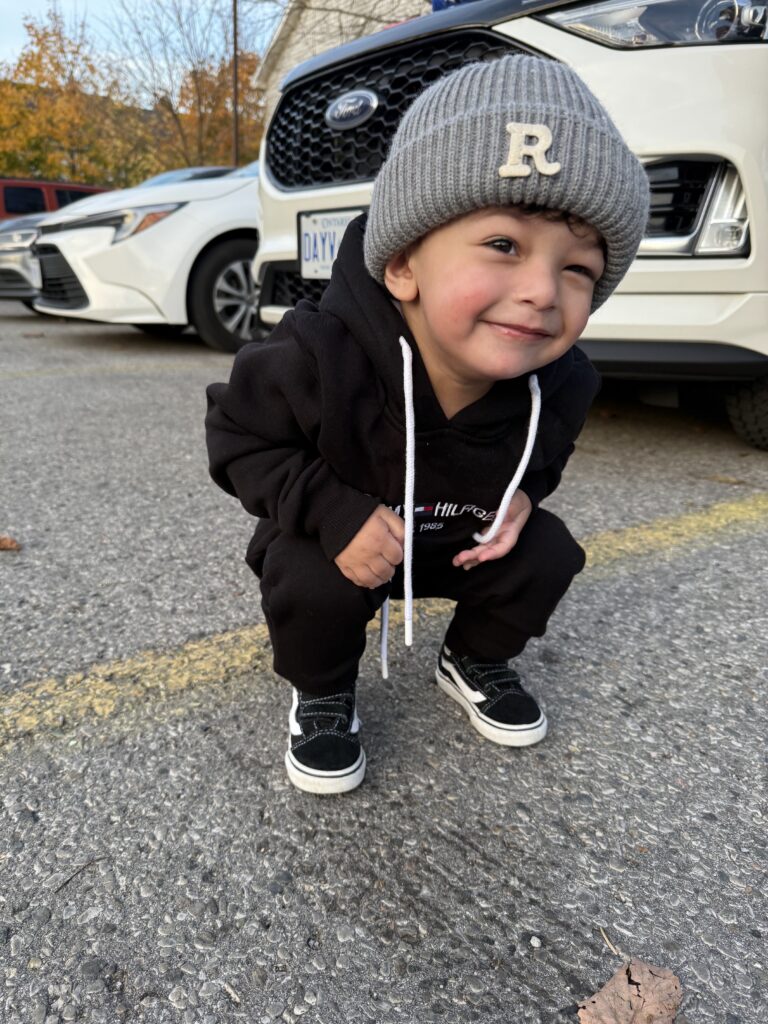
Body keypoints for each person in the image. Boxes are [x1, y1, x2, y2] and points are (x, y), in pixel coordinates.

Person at [205, 55, 649, 795]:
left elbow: (548, 448)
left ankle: (472, 657)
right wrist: (333, 512)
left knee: (548, 552)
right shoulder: (316, 354)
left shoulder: (563, 380)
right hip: (346, 540)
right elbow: (238, 436)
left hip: (458, 539)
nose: (543, 290)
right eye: (504, 245)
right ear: (405, 266)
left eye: (579, 269)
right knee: (307, 582)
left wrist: (524, 498)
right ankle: (321, 692)